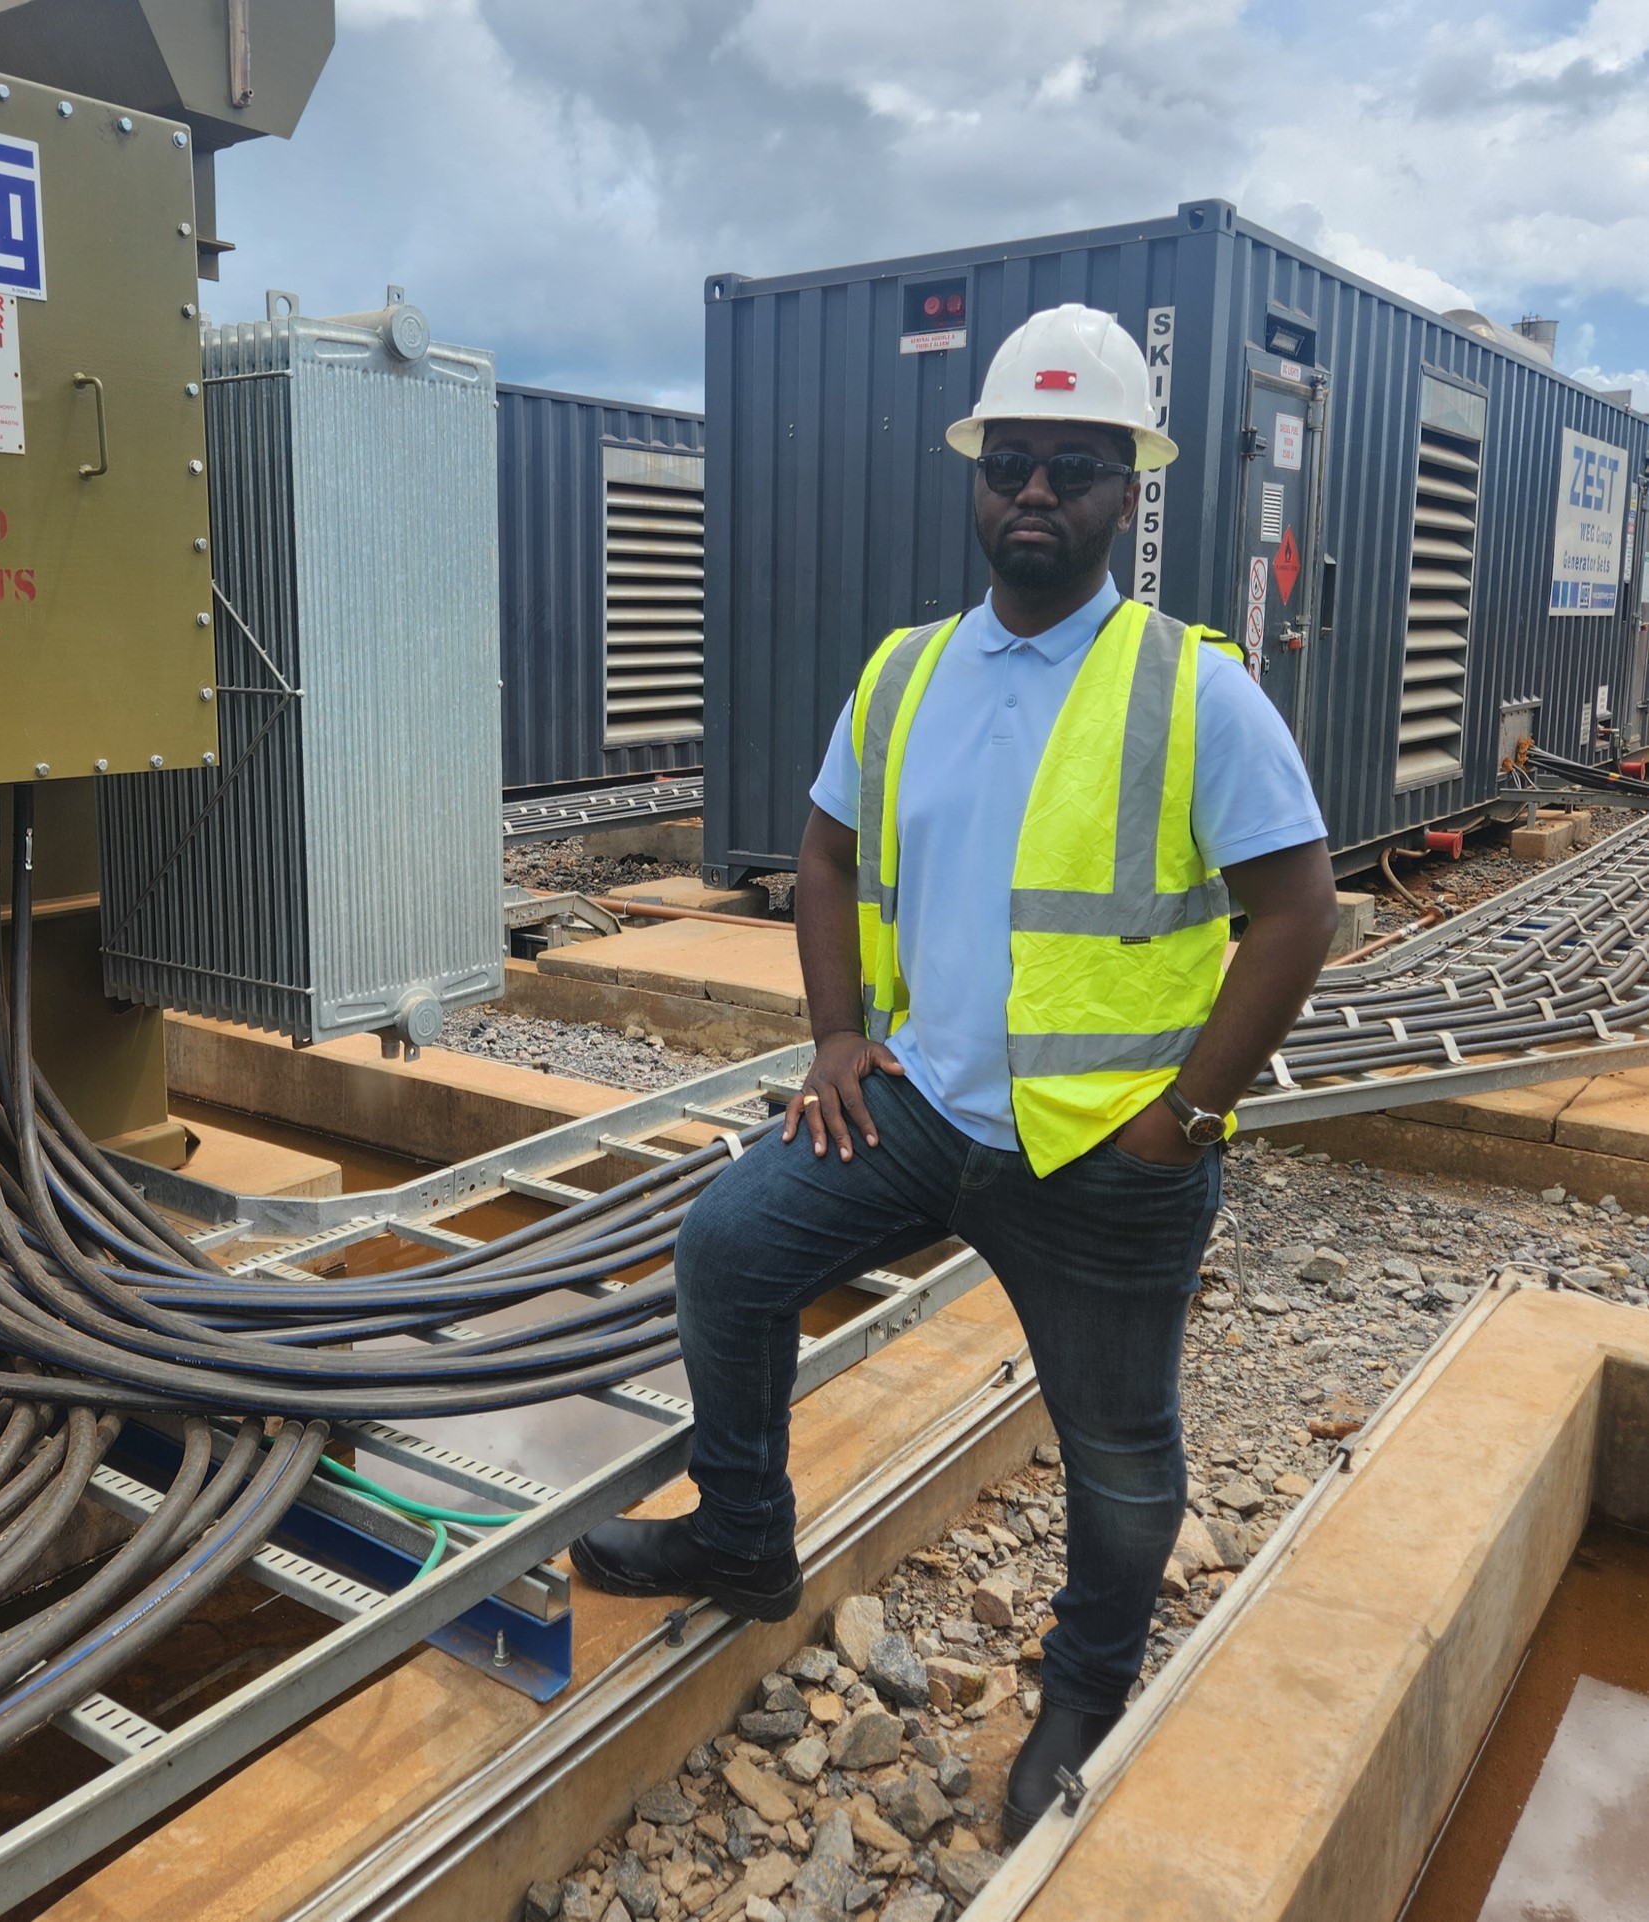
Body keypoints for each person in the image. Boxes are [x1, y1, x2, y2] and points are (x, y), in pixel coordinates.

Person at [571, 303, 1338, 1843]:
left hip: (1103, 1154)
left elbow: (1298, 909)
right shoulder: (909, 671)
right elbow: (821, 848)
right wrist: (837, 1034)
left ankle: (1084, 1680)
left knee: (1120, 1461)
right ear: (975, 480)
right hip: (918, 1108)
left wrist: (1182, 1115)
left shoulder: (1191, 690)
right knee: (727, 1248)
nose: (1034, 492)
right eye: (1011, 464)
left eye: (1073, 465)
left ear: (1128, 489)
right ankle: (742, 1541)